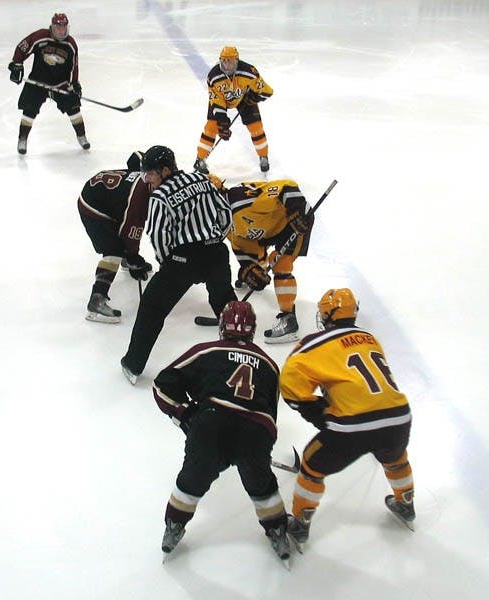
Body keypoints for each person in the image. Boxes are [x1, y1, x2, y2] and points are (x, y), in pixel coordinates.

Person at [153, 301, 290, 565]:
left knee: (193, 478)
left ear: (221, 326)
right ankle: (277, 528)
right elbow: (271, 415)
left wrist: (186, 414)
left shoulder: (207, 350)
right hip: (256, 429)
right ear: (252, 330)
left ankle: (175, 524)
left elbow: (163, 384)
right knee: (261, 484)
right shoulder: (271, 364)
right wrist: (261, 445)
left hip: (212, 423)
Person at [279, 288, 415, 552]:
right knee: (396, 458)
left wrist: (316, 411)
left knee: (311, 465)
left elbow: (290, 383)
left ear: (327, 314)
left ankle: (299, 523)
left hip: (352, 427)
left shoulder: (314, 342)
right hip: (399, 416)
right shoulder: (369, 337)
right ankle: (406, 503)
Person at [120, 146, 237, 384]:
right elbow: (225, 214)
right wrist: (215, 241)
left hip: (183, 260)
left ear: (165, 170)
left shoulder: (160, 196)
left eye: (150, 174)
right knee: (225, 302)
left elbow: (158, 235)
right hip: (216, 253)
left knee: (152, 307)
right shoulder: (201, 179)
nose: (147, 180)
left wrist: (169, 264)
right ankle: (241, 356)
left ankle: (133, 364)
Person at [227, 179, 314, 343]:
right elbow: (242, 245)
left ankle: (289, 318)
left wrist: (298, 210)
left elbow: (287, 187)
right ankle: (261, 266)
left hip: (292, 222)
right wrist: (251, 270)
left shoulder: (241, 201)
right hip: (265, 231)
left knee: (281, 264)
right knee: (257, 267)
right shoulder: (223, 219)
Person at [78, 151, 153, 323]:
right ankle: (97, 301)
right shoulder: (140, 200)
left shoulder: (149, 173)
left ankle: (125, 259)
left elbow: (135, 156)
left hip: (105, 194)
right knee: (113, 250)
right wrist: (133, 257)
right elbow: (130, 230)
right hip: (93, 205)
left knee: (122, 234)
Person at [8, 13, 89, 155]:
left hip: (60, 83)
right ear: (52, 27)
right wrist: (17, 64)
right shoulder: (40, 36)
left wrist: (74, 84)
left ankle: (81, 136)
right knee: (29, 109)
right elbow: (22, 47)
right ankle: (22, 139)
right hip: (37, 81)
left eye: (63, 28)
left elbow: (73, 66)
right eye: (58, 28)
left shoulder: (71, 44)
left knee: (74, 107)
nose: (60, 31)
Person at [193, 46, 273, 174]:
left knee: (256, 128)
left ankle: (263, 157)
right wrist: (222, 120)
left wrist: (253, 97)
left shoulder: (249, 72)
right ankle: (200, 158)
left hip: (243, 99)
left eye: (230, 61)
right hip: (222, 101)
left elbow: (267, 91)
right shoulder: (213, 76)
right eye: (224, 61)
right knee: (211, 127)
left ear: (237, 61)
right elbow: (216, 100)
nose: (227, 64)